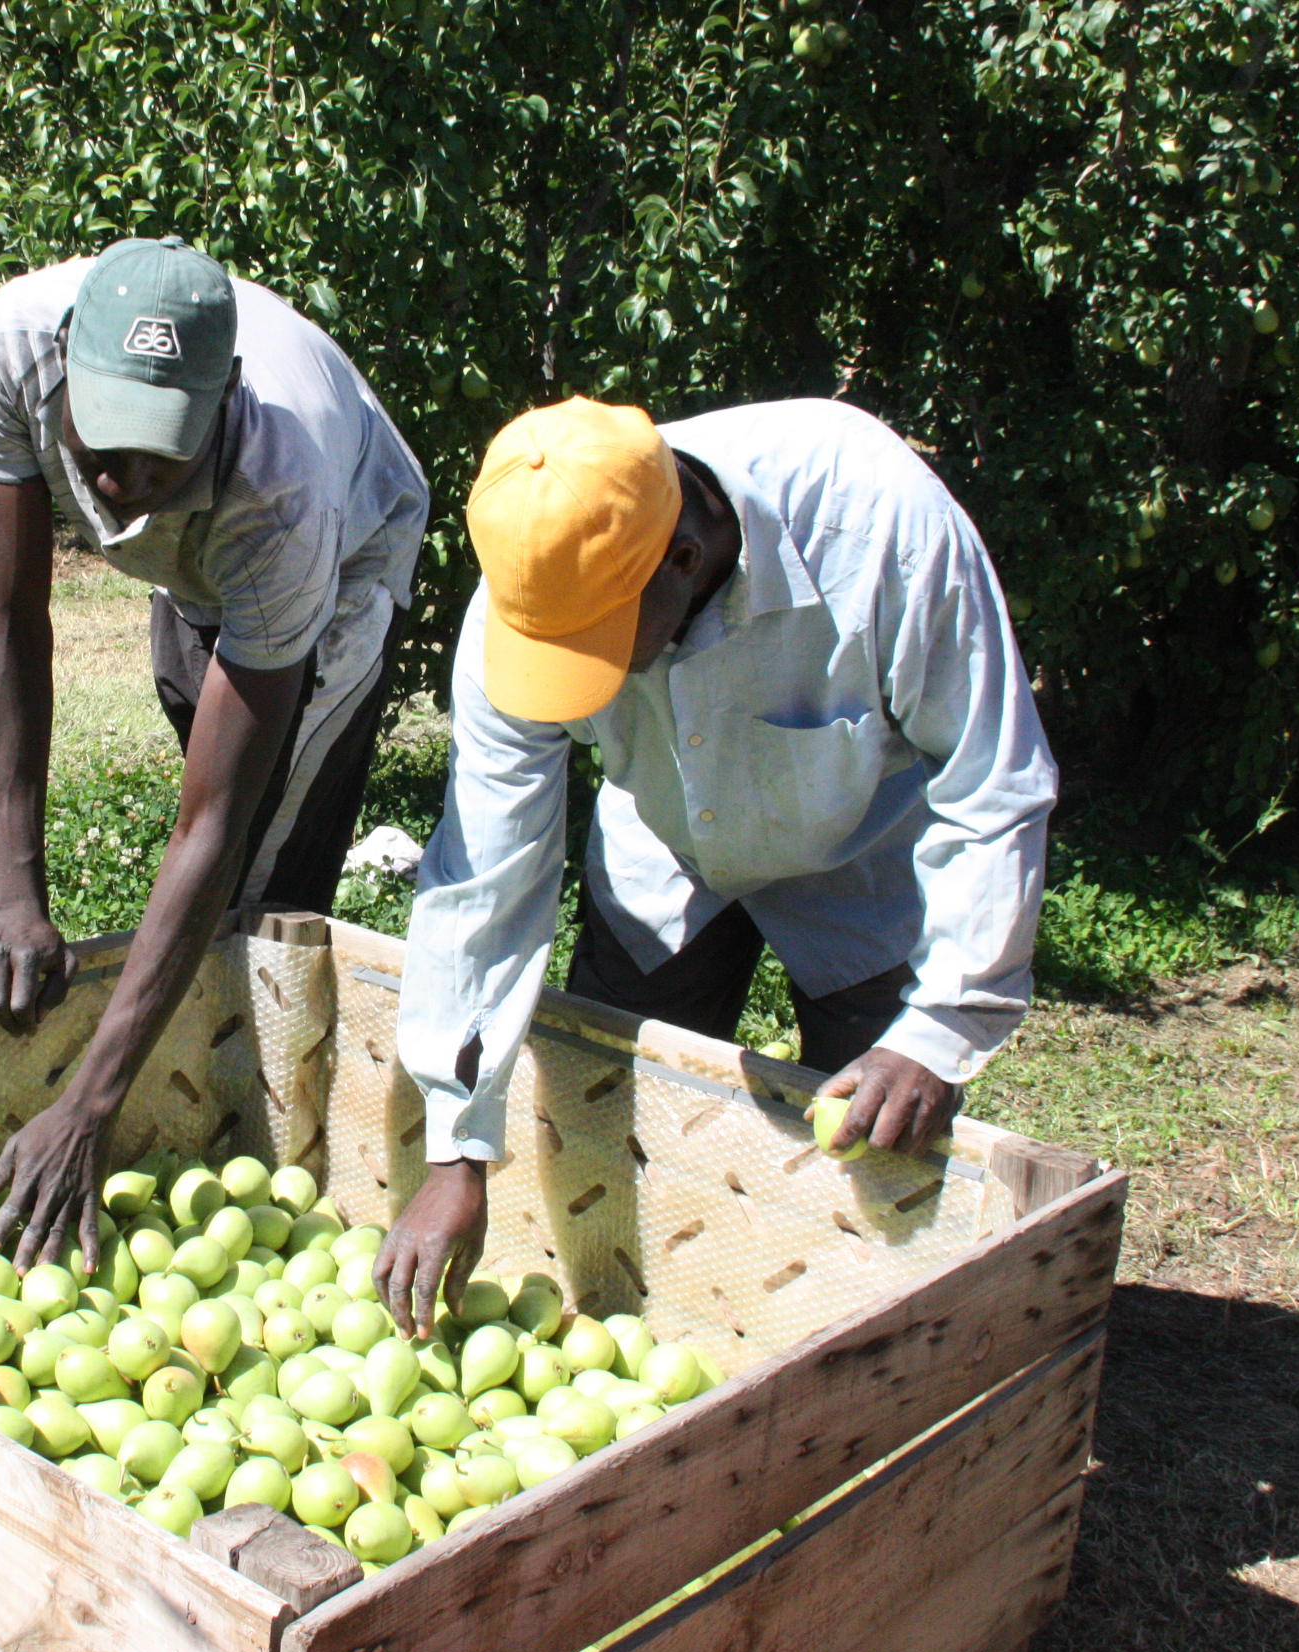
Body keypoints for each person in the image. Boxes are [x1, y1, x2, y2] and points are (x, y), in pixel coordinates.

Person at [376, 396, 1057, 1335]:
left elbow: (994, 782)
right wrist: (456, 1144)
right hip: (665, 852)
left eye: (602, 649)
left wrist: (940, 1029)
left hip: (862, 861)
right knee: (609, 1133)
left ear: (684, 561)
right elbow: (485, 870)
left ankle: (845, 1351)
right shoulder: (536, 584)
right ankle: (667, 1319)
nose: (583, 668)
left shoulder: (879, 527)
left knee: (880, 1167)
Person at [0, 236, 426, 1267]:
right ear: (65, 365)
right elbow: (9, 617)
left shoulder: (283, 494)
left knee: (256, 873)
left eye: (159, 454)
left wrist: (88, 1106)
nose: (118, 482)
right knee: (195, 731)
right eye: (100, 444)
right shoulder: (7, 346)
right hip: (206, 563)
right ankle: (180, 1056)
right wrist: (15, 896)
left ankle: (253, 1131)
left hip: (343, 560)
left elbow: (211, 820)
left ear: (227, 401)